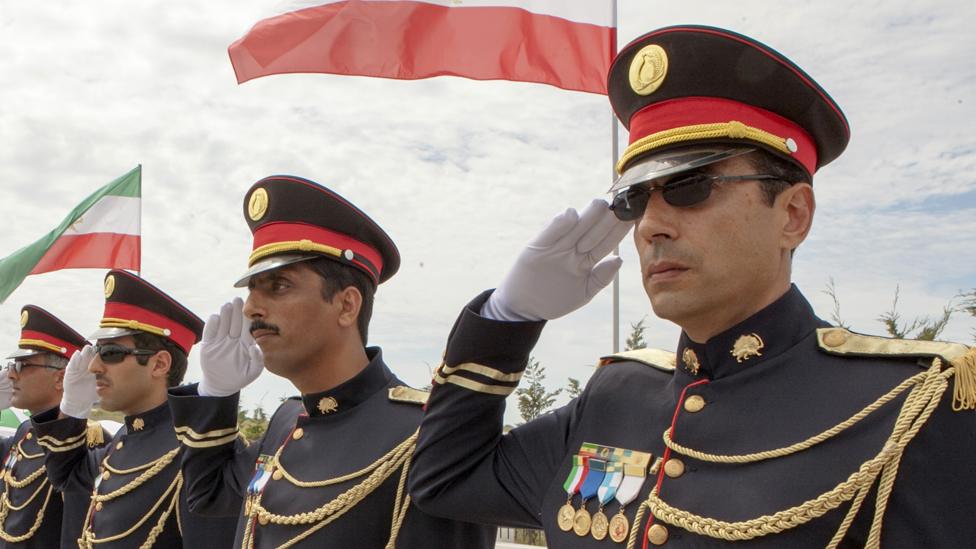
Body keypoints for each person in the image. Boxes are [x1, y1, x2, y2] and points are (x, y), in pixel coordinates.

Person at [408, 25, 976, 548]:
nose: (652, 225)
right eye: (635, 199)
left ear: (794, 214)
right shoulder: (616, 396)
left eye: (690, 187)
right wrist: (509, 317)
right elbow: (446, 480)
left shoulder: (910, 407)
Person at [167, 175, 495, 548]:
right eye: (252, 292)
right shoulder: (286, 423)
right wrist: (216, 393)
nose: (252, 309)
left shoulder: (422, 435)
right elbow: (209, 495)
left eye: (279, 286)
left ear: (346, 305)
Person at [30, 270, 237, 548]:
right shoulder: (123, 442)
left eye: (110, 353)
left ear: (159, 364)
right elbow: (65, 475)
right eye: (96, 353)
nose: (93, 367)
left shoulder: (197, 451)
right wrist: (72, 408)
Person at [0, 305, 105, 548]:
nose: (12, 376)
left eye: (22, 366)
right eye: (12, 366)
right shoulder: (25, 432)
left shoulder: (88, 440)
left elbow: (78, 532)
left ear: (61, 378)